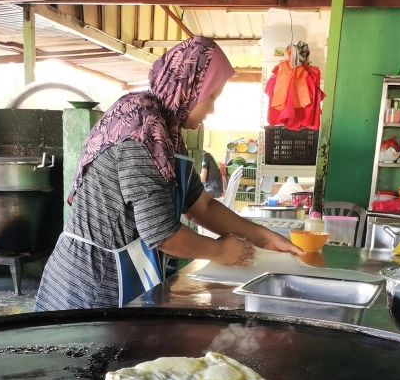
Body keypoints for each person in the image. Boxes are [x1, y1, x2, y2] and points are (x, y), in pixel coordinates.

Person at [35, 36, 301, 311]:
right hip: (91, 283)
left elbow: (203, 207)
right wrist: (220, 251)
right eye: (210, 97)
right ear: (188, 87)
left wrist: (264, 237)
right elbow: (162, 234)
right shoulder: (141, 126)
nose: (211, 109)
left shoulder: (169, 133)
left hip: (124, 272)